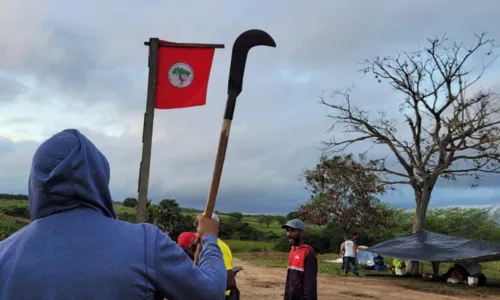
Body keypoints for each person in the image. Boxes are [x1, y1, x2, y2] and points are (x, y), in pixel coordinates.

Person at [0, 129, 227, 300]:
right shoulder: (146, 242)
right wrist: (209, 238)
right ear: (99, 180)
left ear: (35, 184)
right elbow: (210, 292)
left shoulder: (4, 254)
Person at [281, 219, 317, 300]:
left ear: (302, 233)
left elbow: (310, 283)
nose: (289, 234)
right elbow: (290, 280)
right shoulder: (293, 250)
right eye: (288, 230)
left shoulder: (308, 251)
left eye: (293, 231)